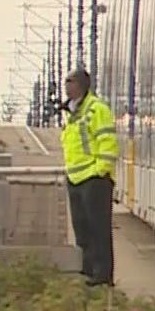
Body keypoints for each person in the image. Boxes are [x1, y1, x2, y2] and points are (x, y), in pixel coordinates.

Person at [60, 68, 119, 287]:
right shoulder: (73, 112)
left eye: (71, 81)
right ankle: (88, 269)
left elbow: (108, 142)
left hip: (94, 179)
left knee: (98, 229)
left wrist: (100, 169)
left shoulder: (97, 110)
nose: (66, 86)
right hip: (76, 178)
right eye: (66, 81)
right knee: (82, 228)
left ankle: (103, 274)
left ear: (82, 85)